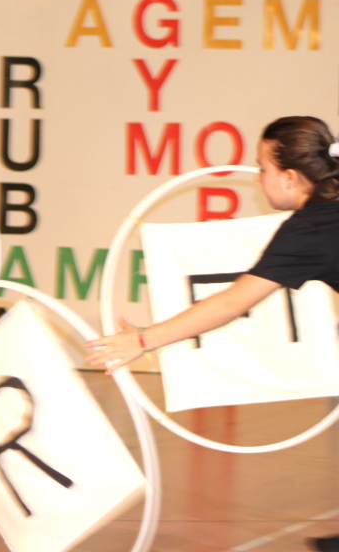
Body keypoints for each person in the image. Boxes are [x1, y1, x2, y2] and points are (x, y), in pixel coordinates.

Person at [85, 116, 339, 552]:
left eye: (262, 167)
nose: (257, 178)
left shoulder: (311, 229)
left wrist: (142, 340)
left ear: (290, 177)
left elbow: (230, 303)